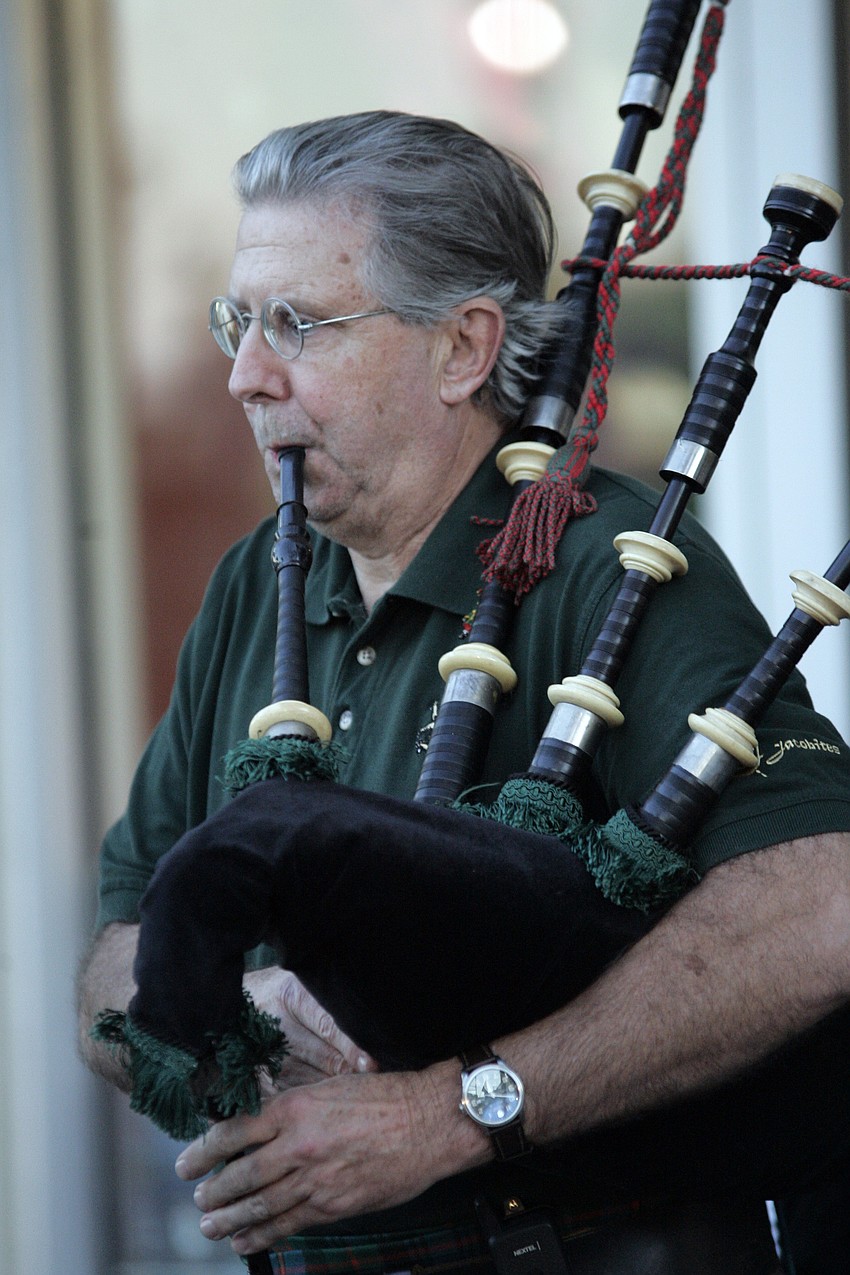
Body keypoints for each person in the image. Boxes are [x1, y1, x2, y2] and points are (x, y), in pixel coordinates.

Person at [77, 111, 850, 1275]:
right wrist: (246, 1003)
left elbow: (821, 907)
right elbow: (112, 958)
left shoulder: (605, 567)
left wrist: (459, 1109)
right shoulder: (256, 580)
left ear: (463, 349)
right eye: (240, 320)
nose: (243, 375)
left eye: (298, 323)